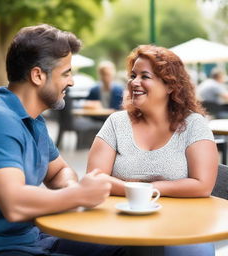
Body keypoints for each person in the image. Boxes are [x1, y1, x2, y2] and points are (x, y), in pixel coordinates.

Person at [0, 24, 126, 256]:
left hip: (32, 239)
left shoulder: (34, 121)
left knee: (126, 248)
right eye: (66, 73)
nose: (72, 82)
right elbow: (15, 204)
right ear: (37, 75)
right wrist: (80, 195)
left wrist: (71, 188)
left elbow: (58, 172)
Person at [87, 45, 218, 256]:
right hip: (120, 221)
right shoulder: (116, 122)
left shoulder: (194, 125)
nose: (134, 82)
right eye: (133, 75)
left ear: (169, 86)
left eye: (144, 76)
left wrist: (150, 188)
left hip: (182, 224)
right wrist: (140, 189)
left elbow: (202, 185)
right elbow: (94, 178)